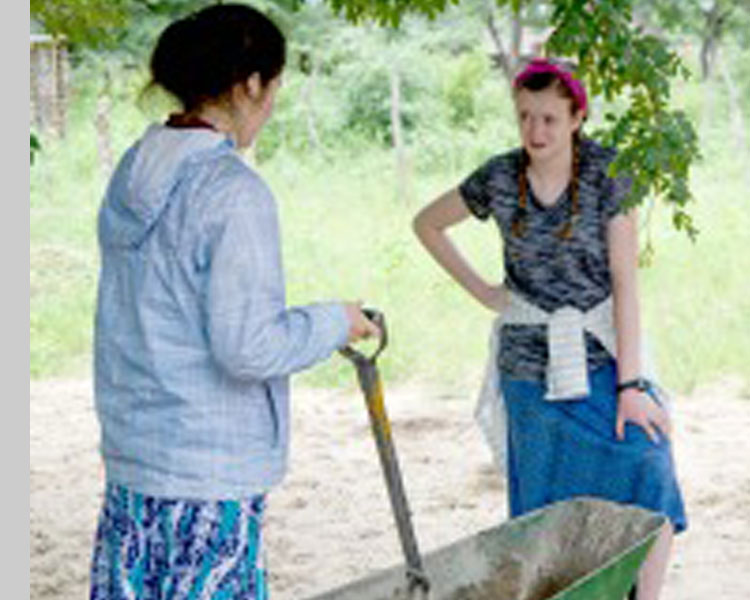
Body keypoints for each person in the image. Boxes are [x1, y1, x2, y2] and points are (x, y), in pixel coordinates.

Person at [89, 4, 379, 599]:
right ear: (250, 84)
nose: (270, 105)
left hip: (135, 461)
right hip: (206, 471)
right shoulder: (233, 192)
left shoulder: (133, 173)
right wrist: (336, 322)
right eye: (272, 87)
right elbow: (248, 346)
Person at [412, 58, 686, 600]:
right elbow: (427, 223)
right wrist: (484, 291)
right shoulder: (498, 177)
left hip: (602, 357)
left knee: (649, 466)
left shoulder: (609, 176)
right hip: (528, 371)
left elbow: (627, 285)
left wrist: (631, 387)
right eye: (525, 118)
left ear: (577, 117)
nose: (535, 132)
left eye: (549, 119)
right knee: (544, 510)